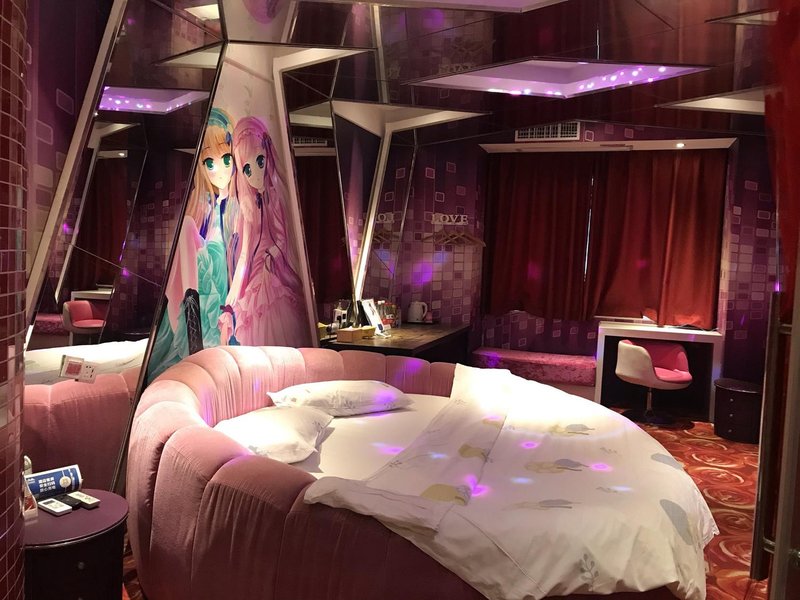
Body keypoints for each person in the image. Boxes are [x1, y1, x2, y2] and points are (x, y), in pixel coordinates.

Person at [148, 108, 237, 379]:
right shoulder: (207, 206)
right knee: (187, 226)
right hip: (204, 288)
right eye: (210, 163)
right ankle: (191, 326)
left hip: (218, 291)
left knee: (190, 229)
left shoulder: (234, 207)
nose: (219, 170)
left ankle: (192, 328)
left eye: (226, 159)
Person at [219, 115, 306, 346]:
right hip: (255, 271)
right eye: (247, 169)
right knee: (252, 320)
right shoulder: (247, 207)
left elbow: (282, 239)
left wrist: (271, 256)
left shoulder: (275, 199)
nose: (256, 175)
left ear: (268, 156)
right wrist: (234, 291)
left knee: (273, 317)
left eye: (260, 161)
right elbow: (244, 254)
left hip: (272, 269)